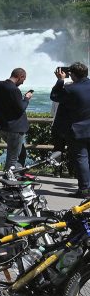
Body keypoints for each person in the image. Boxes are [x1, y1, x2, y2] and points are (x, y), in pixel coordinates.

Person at [0, 67, 33, 173]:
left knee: (21, 152)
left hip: (2, 126)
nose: (23, 83)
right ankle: (8, 180)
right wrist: (27, 98)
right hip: (15, 129)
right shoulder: (14, 90)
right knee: (12, 159)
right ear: (20, 77)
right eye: (23, 80)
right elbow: (21, 108)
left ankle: (18, 174)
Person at [51, 63, 90, 198]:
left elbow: (54, 96)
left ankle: (84, 189)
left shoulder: (71, 89)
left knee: (81, 159)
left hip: (78, 130)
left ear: (72, 75)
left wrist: (60, 80)